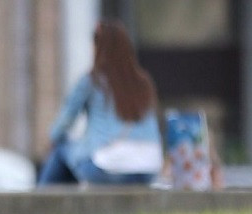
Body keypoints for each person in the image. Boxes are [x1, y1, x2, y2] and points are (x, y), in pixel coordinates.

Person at [38, 20, 162, 186]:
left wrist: (51, 140)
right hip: (149, 167)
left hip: (107, 166)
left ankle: (39, 203)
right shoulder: (144, 82)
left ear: (98, 48)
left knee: (62, 150)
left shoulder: (92, 80)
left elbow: (65, 120)